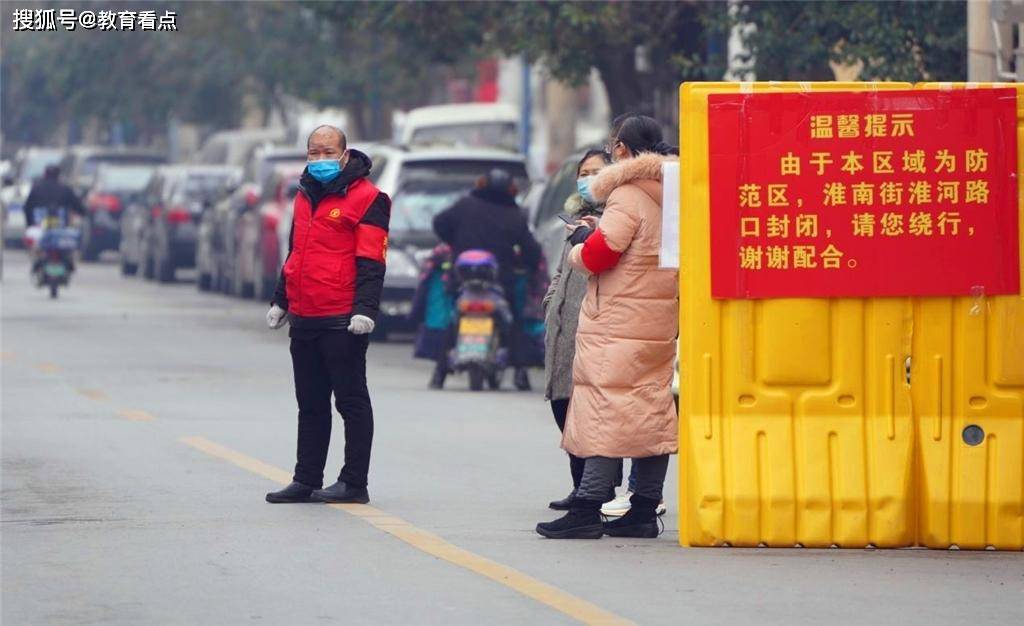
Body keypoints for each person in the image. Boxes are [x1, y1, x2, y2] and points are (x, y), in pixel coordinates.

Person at [537, 115, 679, 539]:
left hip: (619, 319)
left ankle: (587, 506)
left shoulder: (627, 195)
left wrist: (582, 242)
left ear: (620, 149)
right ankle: (641, 509)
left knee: (604, 407)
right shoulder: (674, 195)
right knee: (650, 410)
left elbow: (602, 256)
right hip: (657, 319)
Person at [264, 125, 391, 505]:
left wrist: (365, 310)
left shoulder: (369, 199)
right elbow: (295, 253)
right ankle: (306, 478)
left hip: (342, 318)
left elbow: (372, 261)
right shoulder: (304, 195)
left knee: (350, 401)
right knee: (311, 403)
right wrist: (281, 300)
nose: (320, 159)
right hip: (305, 315)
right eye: (313, 152)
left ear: (345, 153)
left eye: (327, 151)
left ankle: (354, 482)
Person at [543, 149, 620, 511]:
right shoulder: (573, 215)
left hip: (593, 325)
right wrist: (551, 302)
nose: (588, 179)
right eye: (583, 173)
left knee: (589, 412)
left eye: (597, 172)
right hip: (562, 326)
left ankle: (596, 489)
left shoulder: (617, 217)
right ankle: (581, 486)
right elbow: (562, 270)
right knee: (563, 406)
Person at [432, 169, 542, 390]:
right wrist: (528, 267)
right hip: (501, 281)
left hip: (461, 278)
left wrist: (456, 243)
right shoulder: (516, 216)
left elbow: (439, 223)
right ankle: (521, 372)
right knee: (514, 321)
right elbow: (532, 250)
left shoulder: (464, 205)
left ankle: (440, 372)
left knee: (452, 319)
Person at [409, 243, 455, 388]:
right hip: (444, 315)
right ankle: (441, 370)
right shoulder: (436, 273)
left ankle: (440, 371)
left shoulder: (433, 271)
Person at [23, 165, 85, 273]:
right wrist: (84, 213)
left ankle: (38, 262)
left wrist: (30, 223)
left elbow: (28, 208)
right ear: (58, 176)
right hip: (61, 228)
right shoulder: (66, 189)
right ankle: (68, 263)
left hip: (40, 227)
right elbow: (78, 207)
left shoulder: (36, 189)